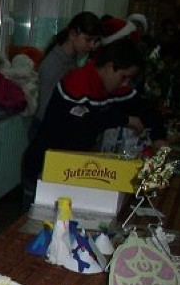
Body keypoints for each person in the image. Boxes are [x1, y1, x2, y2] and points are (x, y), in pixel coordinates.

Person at [22, 38, 146, 192]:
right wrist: (125, 119)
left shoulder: (109, 84)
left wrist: (159, 137)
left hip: (69, 168)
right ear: (109, 67)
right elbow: (84, 122)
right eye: (124, 77)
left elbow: (141, 105)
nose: (125, 83)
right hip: (43, 167)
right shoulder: (76, 83)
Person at [35, 11, 103, 130]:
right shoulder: (54, 65)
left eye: (95, 41)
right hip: (46, 130)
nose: (92, 46)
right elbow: (45, 112)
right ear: (72, 34)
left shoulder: (70, 60)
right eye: (88, 40)